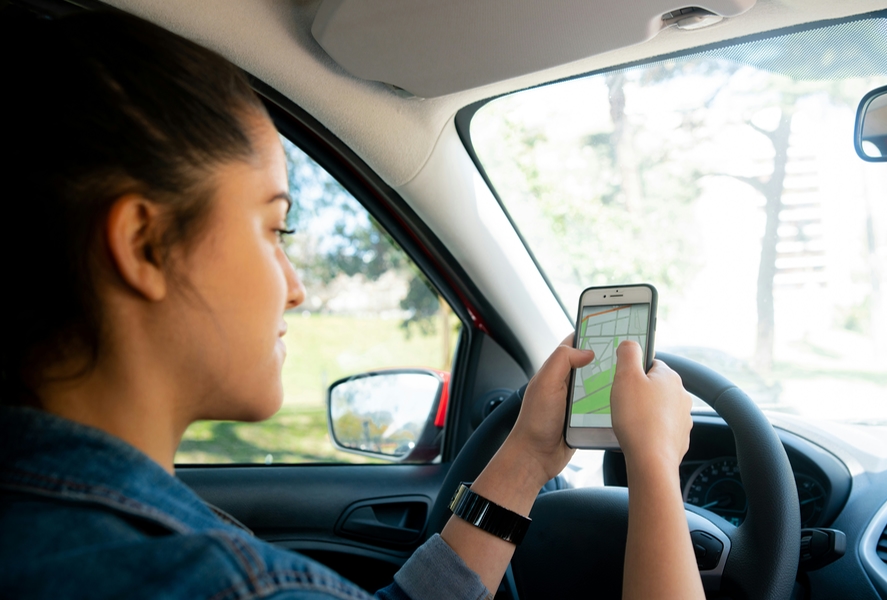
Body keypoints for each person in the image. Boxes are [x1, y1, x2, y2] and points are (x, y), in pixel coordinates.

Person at [0, 9, 703, 600]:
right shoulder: (218, 581)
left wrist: (526, 456)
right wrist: (653, 470)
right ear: (145, 244)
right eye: (275, 229)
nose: (296, 286)